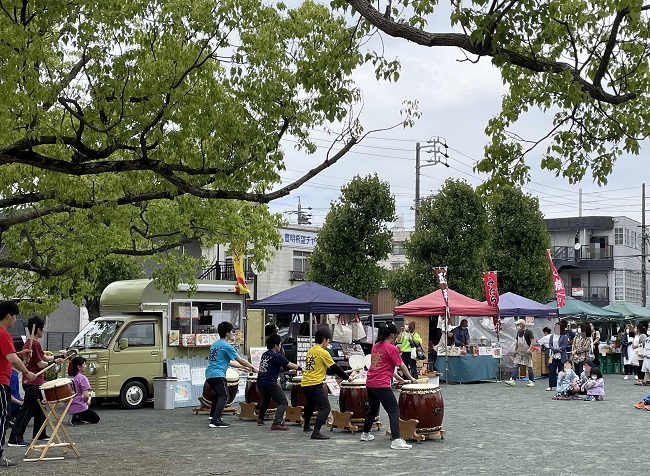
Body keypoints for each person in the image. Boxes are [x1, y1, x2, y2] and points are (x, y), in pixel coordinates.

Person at [8, 315, 65, 447]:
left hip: (32, 382)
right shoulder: (35, 344)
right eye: (43, 329)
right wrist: (56, 361)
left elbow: (44, 357)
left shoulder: (29, 343)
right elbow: (40, 364)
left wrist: (57, 357)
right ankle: (15, 438)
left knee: (41, 409)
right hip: (32, 382)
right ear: (38, 329)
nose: (43, 331)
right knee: (26, 412)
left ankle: (40, 434)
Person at [360, 323, 417, 450]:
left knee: (373, 409)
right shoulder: (391, 348)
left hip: (371, 383)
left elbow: (384, 365)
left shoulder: (376, 347)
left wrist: (398, 378)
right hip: (381, 384)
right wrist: (411, 378)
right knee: (393, 410)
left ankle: (365, 434)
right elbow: (401, 365)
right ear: (392, 335)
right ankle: (396, 440)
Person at [0, 301, 36, 467]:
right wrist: (27, 373)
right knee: (2, 418)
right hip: (0, 382)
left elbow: (11, 355)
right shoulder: (3, 334)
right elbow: (12, 359)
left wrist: (20, 353)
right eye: (14, 316)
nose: (15, 320)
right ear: (8, 316)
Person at [301, 327, 353, 440]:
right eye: (328, 341)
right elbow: (335, 367)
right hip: (315, 384)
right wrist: (347, 377)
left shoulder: (311, 351)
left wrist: (336, 374)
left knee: (310, 404)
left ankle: (306, 426)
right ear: (324, 339)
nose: (328, 343)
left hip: (305, 384)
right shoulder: (323, 352)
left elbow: (324, 369)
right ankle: (316, 432)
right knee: (325, 407)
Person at [206, 321, 257, 429]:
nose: (232, 333)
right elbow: (241, 360)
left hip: (210, 375)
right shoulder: (226, 346)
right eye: (231, 331)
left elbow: (227, 361)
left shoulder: (215, 345)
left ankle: (213, 416)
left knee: (217, 395)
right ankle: (215, 421)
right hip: (218, 375)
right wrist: (253, 367)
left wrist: (242, 367)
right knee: (224, 396)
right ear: (227, 333)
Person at [256, 334, 300, 430]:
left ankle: (260, 419)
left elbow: (272, 367)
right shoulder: (277, 356)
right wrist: (300, 368)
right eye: (280, 344)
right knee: (283, 402)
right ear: (276, 345)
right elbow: (290, 364)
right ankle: (276, 423)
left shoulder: (265, 355)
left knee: (266, 398)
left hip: (260, 382)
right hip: (270, 383)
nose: (280, 346)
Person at [67, 356, 100, 425]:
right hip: (79, 404)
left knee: (93, 401)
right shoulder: (82, 378)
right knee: (96, 419)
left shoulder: (68, 377)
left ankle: (78, 416)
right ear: (79, 367)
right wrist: (88, 401)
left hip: (69, 404)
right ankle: (77, 416)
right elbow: (86, 396)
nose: (85, 366)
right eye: (84, 364)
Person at [504, 319, 536, 387]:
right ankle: (512, 380)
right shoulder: (519, 332)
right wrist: (515, 350)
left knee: (529, 367)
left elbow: (532, 341)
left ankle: (531, 381)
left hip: (527, 352)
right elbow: (517, 342)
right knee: (515, 365)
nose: (518, 325)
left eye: (519, 324)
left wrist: (530, 349)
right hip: (520, 352)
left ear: (522, 324)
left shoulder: (529, 332)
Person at [547, 322, 569, 392]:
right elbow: (550, 345)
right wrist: (556, 350)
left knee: (561, 371)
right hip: (553, 356)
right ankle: (551, 386)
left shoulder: (564, 336)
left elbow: (565, 345)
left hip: (561, 356)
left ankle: (562, 385)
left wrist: (559, 349)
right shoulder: (552, 336)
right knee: (551, 371)